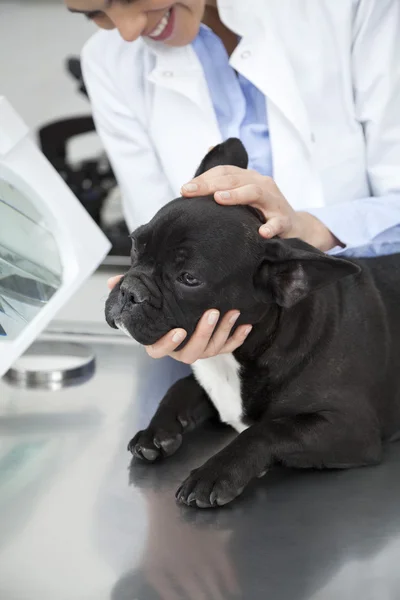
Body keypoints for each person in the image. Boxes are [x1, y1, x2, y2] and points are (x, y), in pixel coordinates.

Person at [66, 0, 400, 364]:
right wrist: (168, 311)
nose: (128, 30)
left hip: (370, 320)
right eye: (93, 13)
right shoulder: (107, 60)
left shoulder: (356, 8)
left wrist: (309, 229)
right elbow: (152, 232)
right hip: (223, 352)